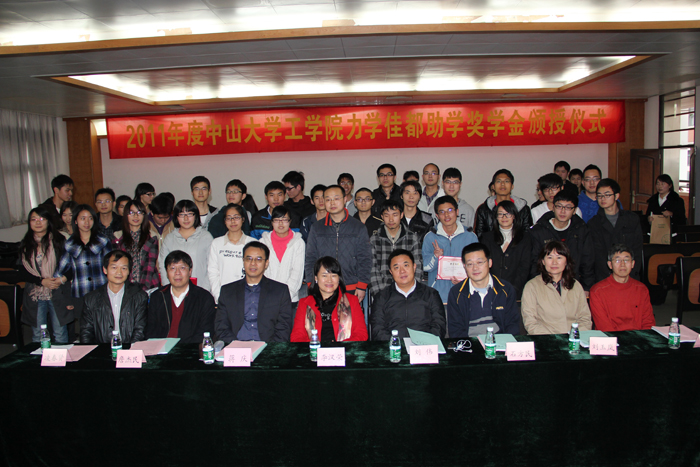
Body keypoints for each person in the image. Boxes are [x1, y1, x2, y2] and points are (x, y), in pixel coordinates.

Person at [305, 185, 372, 303]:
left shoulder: (358, 227)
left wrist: (362, 285)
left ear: (345, 199)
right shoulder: (316, 228)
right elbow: (310, 258)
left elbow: (365, 258)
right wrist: (311, 284)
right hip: (323, 286)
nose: (332, 203)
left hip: (351, 286)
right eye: (328, 199)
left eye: (336, 198)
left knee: (349, 316)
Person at [215, 242, 292, 343]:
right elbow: (221, 327)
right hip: (236, 347)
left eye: (258, 259)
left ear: (266, 263)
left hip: (268, 348)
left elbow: (284, 328)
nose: (253, 263)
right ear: (243, 261)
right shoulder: (227, 291)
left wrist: (268, 349)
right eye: (249, 259)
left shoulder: (280, 291)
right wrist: (236, 346)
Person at [54, 204, 112, 337]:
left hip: (101, 293)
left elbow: (111, 266)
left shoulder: (103, 241)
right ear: (75, 221)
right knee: (86, 333)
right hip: (81, 294)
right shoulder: (70, 244)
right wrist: (65, 294)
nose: (87, 222)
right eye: (82, 218)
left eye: (90, 218)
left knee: (104, 330)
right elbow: (60, 270)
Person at [18, 207, 71, 344]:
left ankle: (61, 357)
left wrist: (61, 279)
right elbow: (22, 271)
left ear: (49, 221)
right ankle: (40, 357)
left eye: (42, 219)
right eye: (34, 219)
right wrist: (41, 281)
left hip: (58, 291)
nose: (38, 222)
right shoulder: (26, 244)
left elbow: (71, 266)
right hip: (35, 293)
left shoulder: (60, 241)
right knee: (38, 334)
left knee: (60, 332)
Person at [446, 243, 520, 338]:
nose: (475, 268)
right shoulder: (456, 293)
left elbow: (512, 325)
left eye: (480, 262)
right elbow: (456, 330)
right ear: (464, 266)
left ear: (490, 263)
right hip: (470, 344)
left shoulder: (505, 289)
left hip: (499, 343)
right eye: (470, 264)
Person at [370, 249, 444, 340]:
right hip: (393, 346)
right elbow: (377, 330)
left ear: (414, 267)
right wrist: (396, 344)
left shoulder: (431, 294)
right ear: (391, 272)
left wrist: (422, 344)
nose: (402, 271)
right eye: (396, 267)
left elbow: (439, 326)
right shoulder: (381, 297)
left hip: (424, 346)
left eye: (406, 265)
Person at [521, 240, 592, 335]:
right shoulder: (532, 286)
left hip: (573, 338)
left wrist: (574, 336)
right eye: (550, 257)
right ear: (543, 261)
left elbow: (585, 318)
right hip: (545, 339)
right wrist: (555, 339)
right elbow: (530, 323)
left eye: (559, 257)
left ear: (566, 261)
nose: (554, 262)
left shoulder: (575, 285)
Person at [291, 256, 368, 342]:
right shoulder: (305, 303)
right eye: (324, 276)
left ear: (339, 278)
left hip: (344, 349)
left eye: (333, 276)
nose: (329, 280)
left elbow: (361, 335)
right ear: (316, 278)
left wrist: (340, 347)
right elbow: (296, 337)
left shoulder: (352, 301)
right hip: (314, 349)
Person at [146, 250, 216, 343]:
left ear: (190, 271)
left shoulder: (204, 298)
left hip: (190, 349)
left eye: (182, 268)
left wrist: (183, 349)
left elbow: (204, 332)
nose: (177, 273)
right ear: (167, 272)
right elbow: (150, 331)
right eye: (172, 268)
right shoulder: (157, 296)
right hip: (161, 349)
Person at [530, 191, 595, 290]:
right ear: (553, 207)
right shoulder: (538, 231)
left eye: (568, 207)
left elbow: (587, 262)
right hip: (545, 285)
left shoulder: (581, 230)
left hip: (574, 285)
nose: (563, 211)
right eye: (559, 206)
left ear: (574, 210)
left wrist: (586, 287)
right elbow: (534, 263)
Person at [80, 250, 147, 344]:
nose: (119, 272)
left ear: (129, 271)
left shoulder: (139, 296)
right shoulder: (91, 299)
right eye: (114, 267)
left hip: (130, 349)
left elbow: (140, 331)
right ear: (105, 269)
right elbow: (86, 333)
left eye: (124, 268)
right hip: (101, 350)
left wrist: (129, 351)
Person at [422, 195, 478, 303]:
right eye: (442, 212)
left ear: (457, 212)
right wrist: (435, 257)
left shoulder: (470, 236)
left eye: (450, 210)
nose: (446, 215)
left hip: (464, 294)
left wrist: (464, 280)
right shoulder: (430, 237)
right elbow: (425, 267)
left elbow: (477, 266)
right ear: (437, 215)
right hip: (438, 296)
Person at [589, 244, 655, 331]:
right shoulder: (597, 291)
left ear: (633, 264)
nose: (623, 264)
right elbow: (603, 326)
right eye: (617, 260)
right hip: (610, 337)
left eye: (626, 260)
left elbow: (648, 322)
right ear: (610, 265)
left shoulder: (641, 289)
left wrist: (643, 337)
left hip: (638, 337)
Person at [588, 178, 643, 282]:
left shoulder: (631, 219)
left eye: (607, 195)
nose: (603, 199)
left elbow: (637, 249)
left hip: (630, 275)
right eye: (599, 196)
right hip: (605, 277)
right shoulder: (593, 223)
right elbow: (597, 256)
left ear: (616, 196)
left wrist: (631, 272)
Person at [158, 199, 214, 292]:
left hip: (201, 290)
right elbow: (163, 267)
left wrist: (204, 291)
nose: (186, 218)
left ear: (196, 216)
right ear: (176, 217)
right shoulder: (170, 239)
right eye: (182, 214)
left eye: (190, 214)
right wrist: (168, 290)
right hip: (174, 291)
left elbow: (212, 267)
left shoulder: (206, 237)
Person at [479, 200, 532, 298]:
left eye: (508, 214)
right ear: (496, 217)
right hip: (490, 291)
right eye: (500, 214)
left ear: (514, 216)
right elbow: (484, 265)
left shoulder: (525, 238)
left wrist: (513, 289)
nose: (504, 217)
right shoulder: (487, 238)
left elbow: (524, 267)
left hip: (516, 292)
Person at [370, 200, 422, 296]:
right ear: (382, 217)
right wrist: (380, 296)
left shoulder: (412, 238)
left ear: (401, 215)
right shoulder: (374, 240)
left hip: (409, 291)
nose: (391, 219)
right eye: (386, 215)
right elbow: (373, 270)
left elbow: (417, 266)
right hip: (383, 291)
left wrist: (413, 293)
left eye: (395, 215)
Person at [207, 204, 254, 303]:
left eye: (236, 217)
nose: (233, 221)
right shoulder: (216, 243)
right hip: (222, 298)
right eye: (229, 218)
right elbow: (213, 272)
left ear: (243, 219)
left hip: (247, 298)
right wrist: (219, 296)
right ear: (224, 221)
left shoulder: (253, 243)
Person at [261, 206, 305, 306]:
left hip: (290, 299)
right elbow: (261, 271)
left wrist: (284, 296)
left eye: (284, 220)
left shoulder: (298, 243)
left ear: (290, 221)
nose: (280, 223)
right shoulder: (263, 242)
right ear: (272, 222)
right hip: (267, 298)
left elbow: (297, 273)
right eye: (277, 220)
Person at [112, 200, 160, 292]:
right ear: (126, 215)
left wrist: (141, 290)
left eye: (139, 212)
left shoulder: (152, 237)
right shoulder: (117, 237)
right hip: (124, 287)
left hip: (149, 286)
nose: (136, 216)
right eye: (131, 213)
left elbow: (149, 266)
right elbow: (117, 265)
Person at [474, 169, 532, 238]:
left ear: (512, 186)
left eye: (506, 181)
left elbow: (528, 235)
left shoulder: (523, 209)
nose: (502, 184)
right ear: (493, 186)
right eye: (499, 181)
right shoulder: (483, 209)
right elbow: (480, 236)